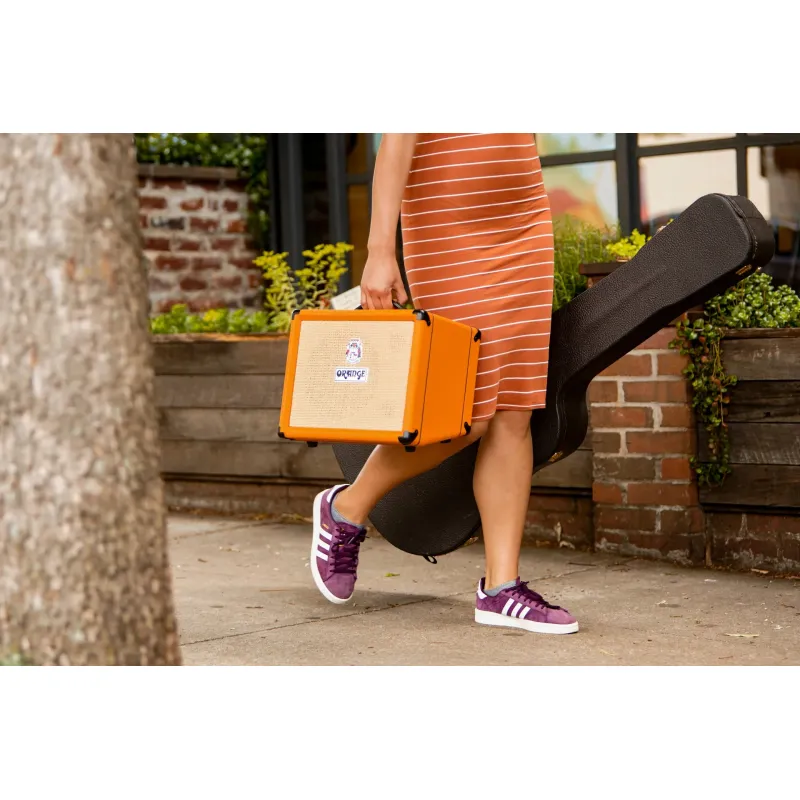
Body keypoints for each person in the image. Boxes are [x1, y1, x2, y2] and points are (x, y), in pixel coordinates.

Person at [310, 133, 578, 634]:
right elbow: (397, 142)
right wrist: (379, 250)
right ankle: (345, 507)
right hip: (448, 226)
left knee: (514, 410)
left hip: (524, 223)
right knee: (466, 414)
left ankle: (500, 588)